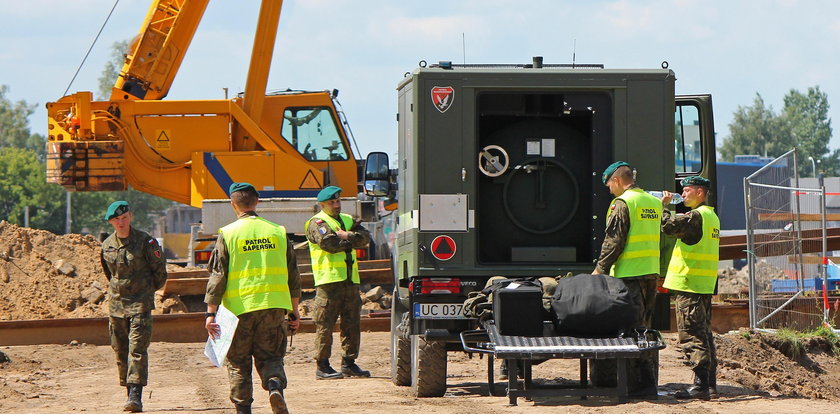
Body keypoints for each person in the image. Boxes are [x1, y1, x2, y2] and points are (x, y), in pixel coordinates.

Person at [204, 183, 301, 414]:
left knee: (238, 363)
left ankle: (243, 409)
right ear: (257, 202)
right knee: (271, 357)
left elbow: (218, 277)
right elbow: (293, 276)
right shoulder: (278, 232)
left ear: (233, 204)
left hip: (238, 311)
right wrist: (294, 311)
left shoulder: (228, 234)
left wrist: (210, 314)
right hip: (274, 307)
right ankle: (274, 386)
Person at [591, 161, 662, 396]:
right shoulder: (654, 203)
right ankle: (648, 383)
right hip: (650, 274)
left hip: (628, 276)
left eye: (610, 184)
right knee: (646, 329)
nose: (609, 190)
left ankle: (631, 385)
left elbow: (614, 241)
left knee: (629, 329)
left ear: (618, 180)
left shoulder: (622, 203)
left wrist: (599, 270)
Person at [100, 201, 168, 412]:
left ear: (131, 216)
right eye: (116, 220)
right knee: (120, 351)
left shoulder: (145, 242)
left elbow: (160, 273)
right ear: (111, 221)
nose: (121, 222)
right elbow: (110, 275)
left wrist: (145, 292)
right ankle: (128, 393)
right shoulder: (107, 245)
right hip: (117, 307)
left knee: (137, 350)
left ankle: (136, 395)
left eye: (124, 218)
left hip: (140, 305)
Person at [659, 176, 720, 400]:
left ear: (700, 193)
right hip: (702, 284)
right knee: (704, 334)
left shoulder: (696, 216)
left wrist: (663, 207)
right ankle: (709, 384)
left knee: (692, 335)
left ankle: (701, 386)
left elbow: (668, 227)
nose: (682, 195)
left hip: (689, 283)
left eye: (686, 190)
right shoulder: (711, 216)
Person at [305, 185, 372, 379]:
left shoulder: (347, 220)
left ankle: (349, 363)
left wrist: (347, 235)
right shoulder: (317, 222)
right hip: (329, 282)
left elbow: (365, 238)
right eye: (332, 202)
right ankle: (322, 365)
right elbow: (329, 244)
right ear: (322, 204)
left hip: (350, 281)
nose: (336, 205)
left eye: (338, 201)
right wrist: (351, 238)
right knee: (325, 325)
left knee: (352, 323)